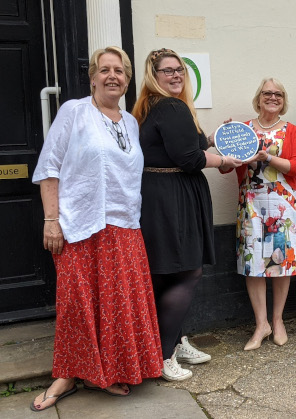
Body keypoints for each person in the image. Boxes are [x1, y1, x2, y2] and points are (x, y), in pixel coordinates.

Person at [30, 47, 163, 412]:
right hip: (80, 225)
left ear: (127, 79)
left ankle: (108, 372)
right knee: (77, 305)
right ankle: (68, 375)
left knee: (117, 306)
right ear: (92, 77)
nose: (112, 76)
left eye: (119, 70)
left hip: (124, 226)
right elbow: (48, 167)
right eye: (104, 70)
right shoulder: (74, 112)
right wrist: (51, 219)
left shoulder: (130, 122)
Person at [132, 49, 242, 380]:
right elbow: (189, 159)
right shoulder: (171, 106)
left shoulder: (153, 107)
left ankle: (174, 342)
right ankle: (164, 356)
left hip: (161, 196)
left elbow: (185, 147)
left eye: (179, 69)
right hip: (172, 199)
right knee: (186, 272)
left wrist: (212, 139)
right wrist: (225, 160)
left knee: (167, 274)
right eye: (167, 71)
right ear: (154, 76)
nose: (176, 75)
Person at [223, 77, 296, 350]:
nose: (272, 97)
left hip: (282, 207)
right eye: (267, 93)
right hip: (251, 206)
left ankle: (278, 320)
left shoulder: (292, 131)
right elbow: (226, 168)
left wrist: (267, 158)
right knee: (253, 264)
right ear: (258, 98)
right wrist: (225, 145)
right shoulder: (243, 130)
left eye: (278, 94)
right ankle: (261, 324)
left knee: (280, 264)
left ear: (283, 101)